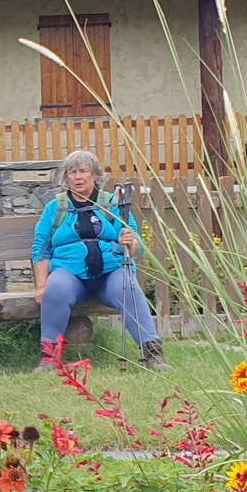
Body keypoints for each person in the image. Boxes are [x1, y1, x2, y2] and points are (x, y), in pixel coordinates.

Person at [32, 150, 170, 371]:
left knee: (128, 287)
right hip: (70, 273)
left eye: (83, 171)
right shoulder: (55, 208)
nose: (78, 177)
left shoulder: (113, 204)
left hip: (110, 271)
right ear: (66, 177)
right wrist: (41, 286)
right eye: (72, 172)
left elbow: (135, 244)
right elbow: (41, 250)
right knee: (54, 290)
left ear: (95, 175)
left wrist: (130, 241)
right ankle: (49, 358)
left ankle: (153, 353)